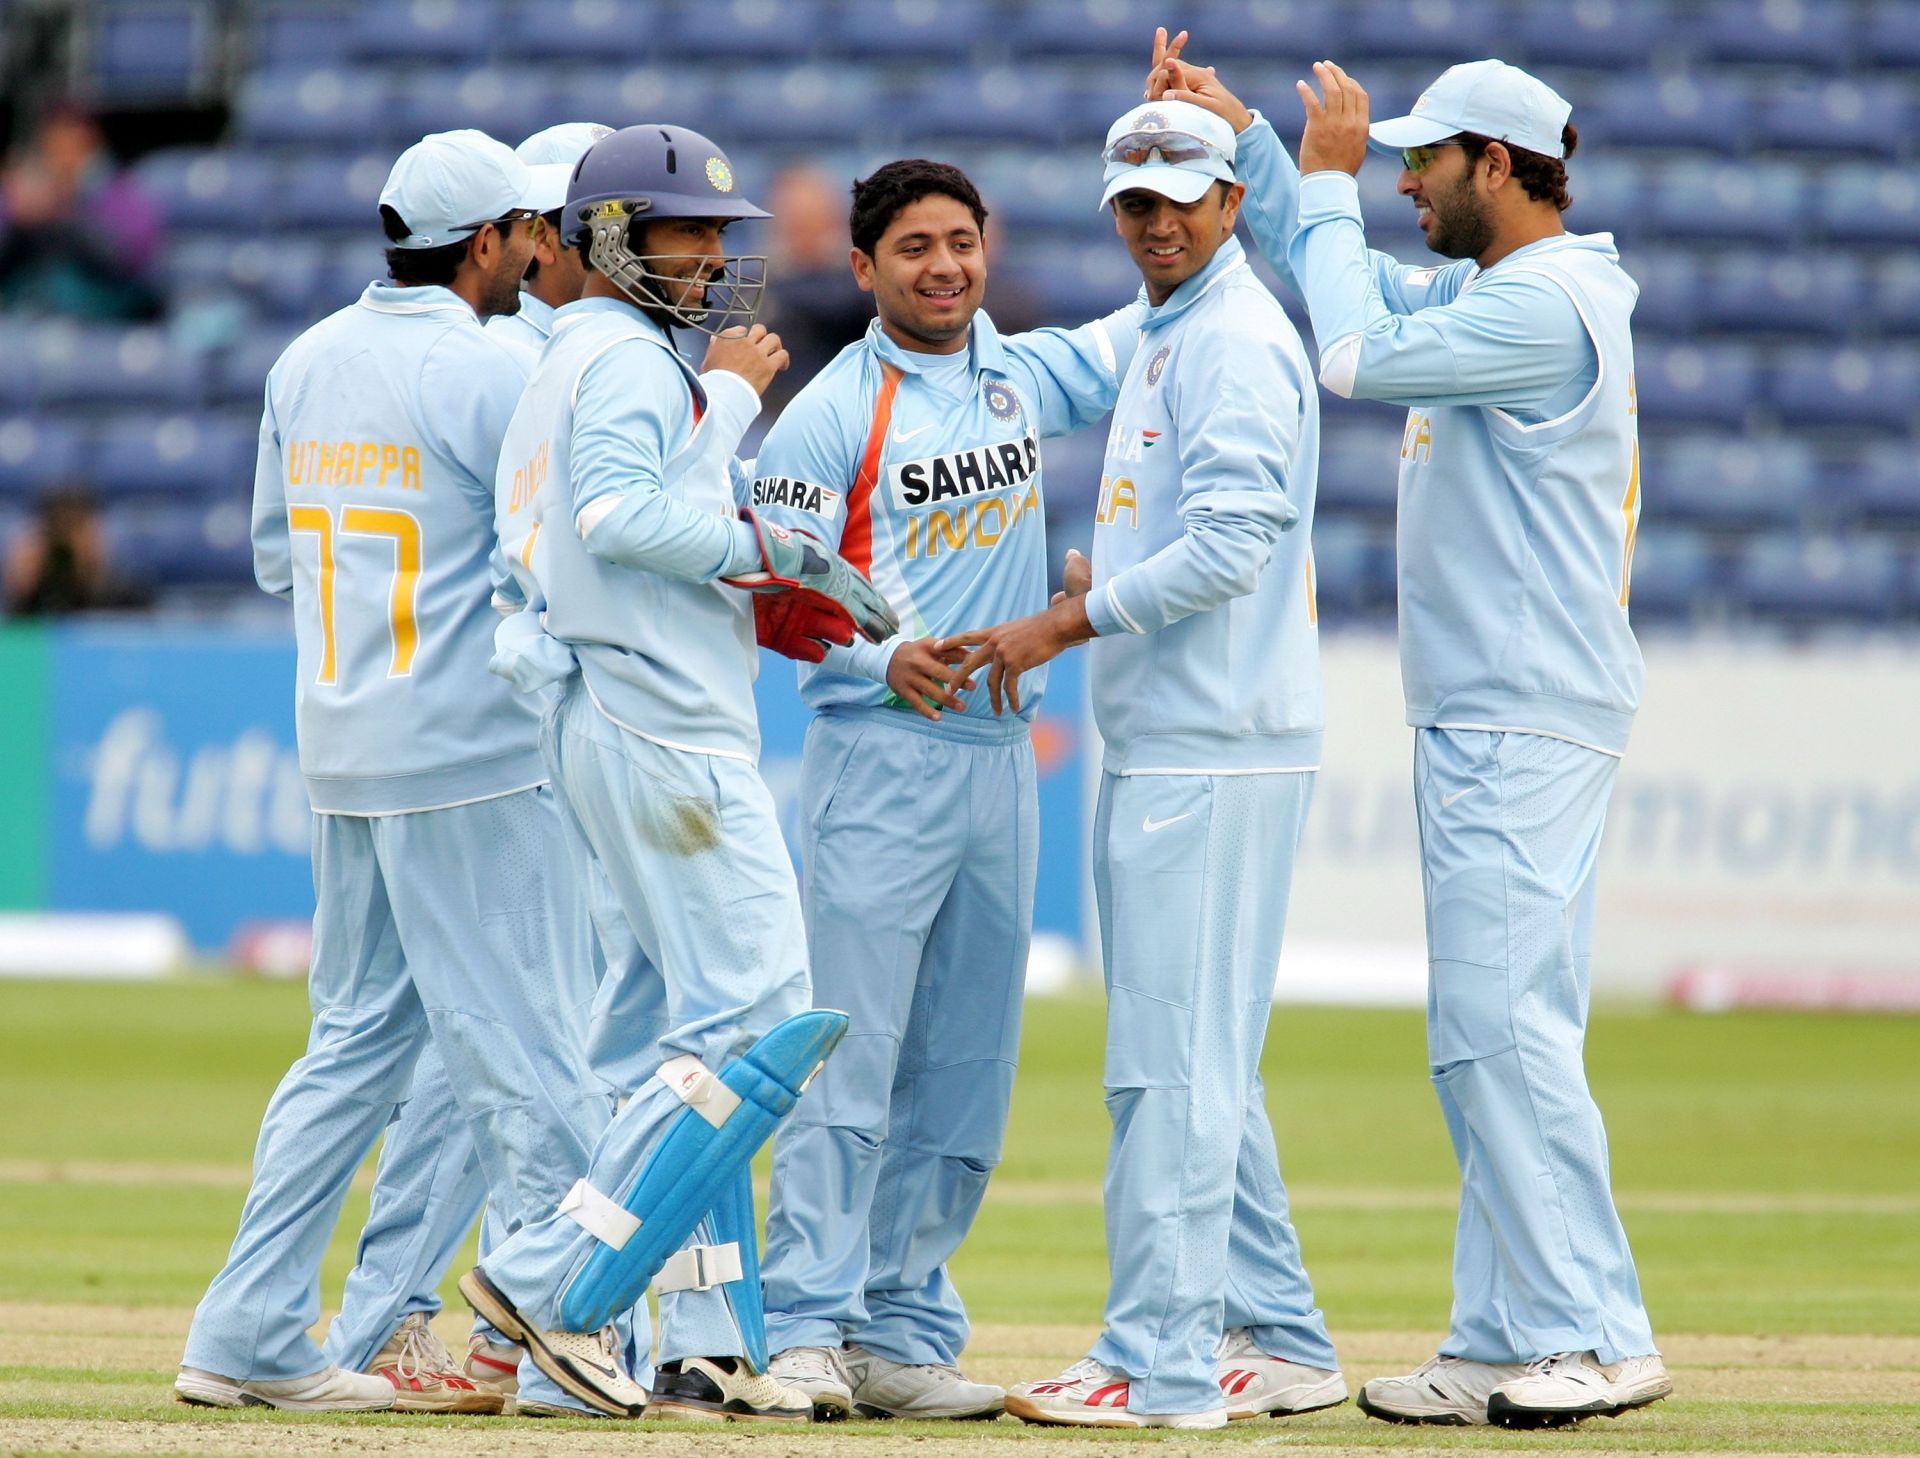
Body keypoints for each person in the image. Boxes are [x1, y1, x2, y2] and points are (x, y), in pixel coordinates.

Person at [1150, 37, 1670, 1428]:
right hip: (1502, 699)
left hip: (1522, 704)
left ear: (1498, 166)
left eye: (1425, 164)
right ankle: (1504, 1330)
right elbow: (1359, 277)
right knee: (1490, 1027)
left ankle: (1595, 1328)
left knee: (1499, 1029)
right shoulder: (1511, 287)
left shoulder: (1542, 307)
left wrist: (1314, 181)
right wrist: (1252, 138)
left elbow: (1348, 345)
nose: (1405, 187)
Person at [458, 122, 895, 1423]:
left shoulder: (567, 359)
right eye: (680, 233)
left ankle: (699, 1334)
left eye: (715, 234)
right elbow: (618, 517)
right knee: (753, 1022)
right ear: (604, 240)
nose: (710, 257)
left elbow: (595, 522)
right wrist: (776, 551)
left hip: (602, 704)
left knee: (661, 1032)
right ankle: (556, 1281)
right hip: (665, 721)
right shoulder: (631, 362)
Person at [174, 130, 608, 1414]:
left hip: (343, 751)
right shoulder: (481, 369)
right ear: (489, 242)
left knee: (351, 1047)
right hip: (471, 755)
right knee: (532, 1049)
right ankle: (568, 1346)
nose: (536, 256)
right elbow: (553, 558)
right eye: (526, 238)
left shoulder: (306, 358)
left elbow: (270, 560)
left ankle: (249, 1324)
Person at [953, 98, 1341, 1430]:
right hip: (1187, 734)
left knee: (1166, 1070)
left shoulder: (1230, 340)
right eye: (1135, 197)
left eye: (1185, 190)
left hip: (1212, 746)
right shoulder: (1176, 328)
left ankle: (1160, 1366)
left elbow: (1234, 539)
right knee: (1195, 1057)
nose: (1158, 217)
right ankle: (1278, 1335)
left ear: (1235, 200)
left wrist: (1073, 612)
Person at [749, 159, 1142, 1422]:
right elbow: (777, 597)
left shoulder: (1023, 373)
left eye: (962, 242)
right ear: (862, 269)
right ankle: (806, 1325)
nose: (945, 267)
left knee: (967, 1067)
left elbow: (1173, 305)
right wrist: (880, 654)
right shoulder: (830, 413)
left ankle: (899, 1322)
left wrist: (1243, 162)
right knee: (850, 1056)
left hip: (999, 761)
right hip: (880, 756)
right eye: (914, 246)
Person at [311, 122, 631, 1418]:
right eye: (591, 224)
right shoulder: (517, 362)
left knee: (481, 1039)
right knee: (511, 1040)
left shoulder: (517, 348)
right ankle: (519, 1317)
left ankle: (436, 1313)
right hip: (520, 742)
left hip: (495, 737)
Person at [0, 103, 163, 320]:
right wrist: (18, 220)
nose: (60, 149)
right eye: (52, 138)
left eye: (70, 136)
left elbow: (124, 261)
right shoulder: (27, 193)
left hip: (103, 315)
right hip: (27, 316)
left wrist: (62, 214)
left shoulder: (120, 192)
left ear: (90, 138)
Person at [758, 165, 876, 408]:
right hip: (775, 411)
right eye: (793, 219)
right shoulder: (757, 281)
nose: (801, 229)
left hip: (851, 408)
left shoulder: (861, 279)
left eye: (810, 218)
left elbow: (840, 307)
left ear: (833, 219)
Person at [3, 486, 149, 614]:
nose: (69, 545)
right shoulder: (32, 593)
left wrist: (92, 577)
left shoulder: (126, 593)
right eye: (59, 530)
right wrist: (20, 596)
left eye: (76, 529)